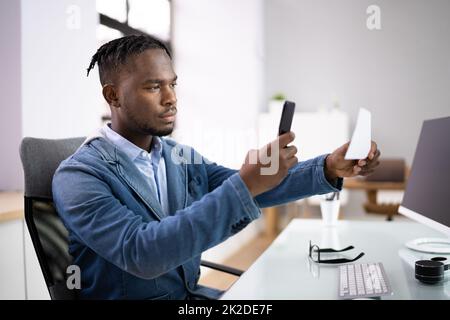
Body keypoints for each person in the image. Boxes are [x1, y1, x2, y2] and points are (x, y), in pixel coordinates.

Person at [52, 35, 380, 300]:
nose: (171, 99)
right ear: (113, 96)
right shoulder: (79, 176)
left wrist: (329, 167)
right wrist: (249, 184)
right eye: (153, 87)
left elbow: (254, 186)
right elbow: (142, 253)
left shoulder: (178, 156)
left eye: (172, 84)